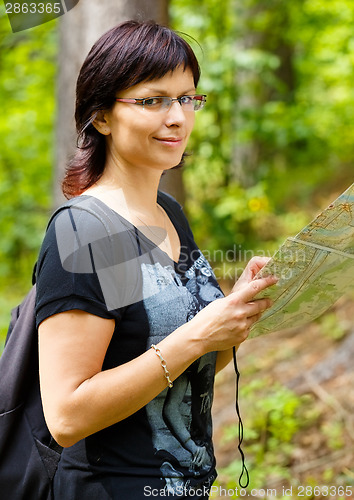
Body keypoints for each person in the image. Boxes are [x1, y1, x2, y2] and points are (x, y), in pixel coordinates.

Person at [35, 20, 277, 500]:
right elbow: (66, 415)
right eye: (153, 100)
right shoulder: (87, 232)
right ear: (101, 116)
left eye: (188, 98)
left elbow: (185, 361)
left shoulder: (168, 213)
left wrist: (236, 317)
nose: (178, 117)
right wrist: (199, 333)